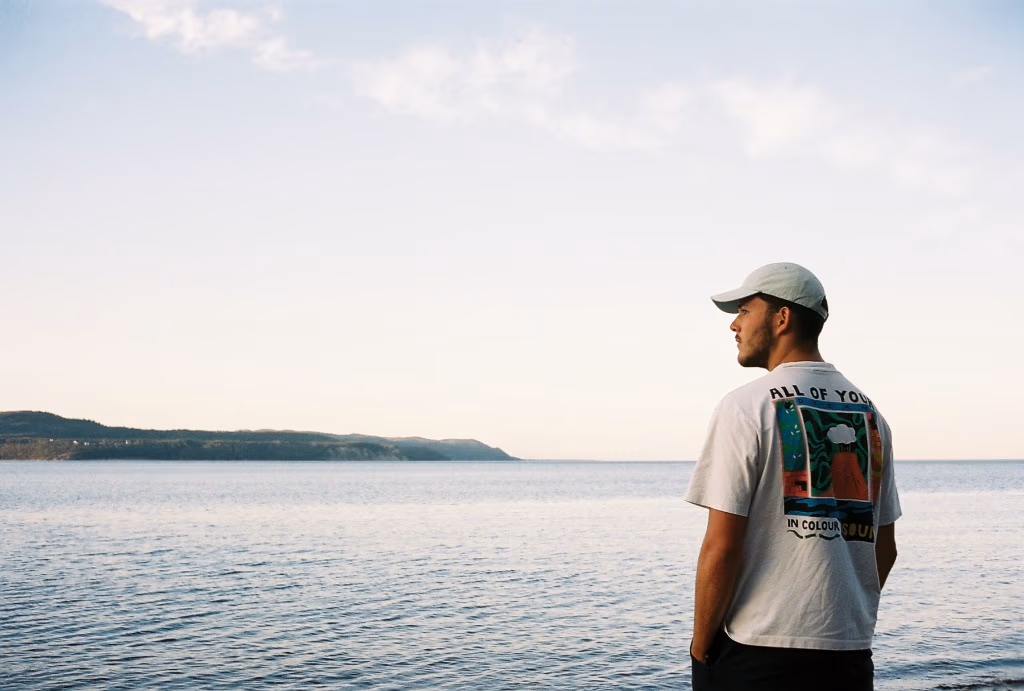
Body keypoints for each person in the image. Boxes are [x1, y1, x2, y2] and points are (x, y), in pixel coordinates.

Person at [686, 262, 901, 691]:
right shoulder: (871, 415)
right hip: (849, 656)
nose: (734, 324)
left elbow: (721, 546)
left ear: (782, 318)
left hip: (758, 649)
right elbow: (885, 547)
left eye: (745, 310)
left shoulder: (747, 406)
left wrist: (700, 645)